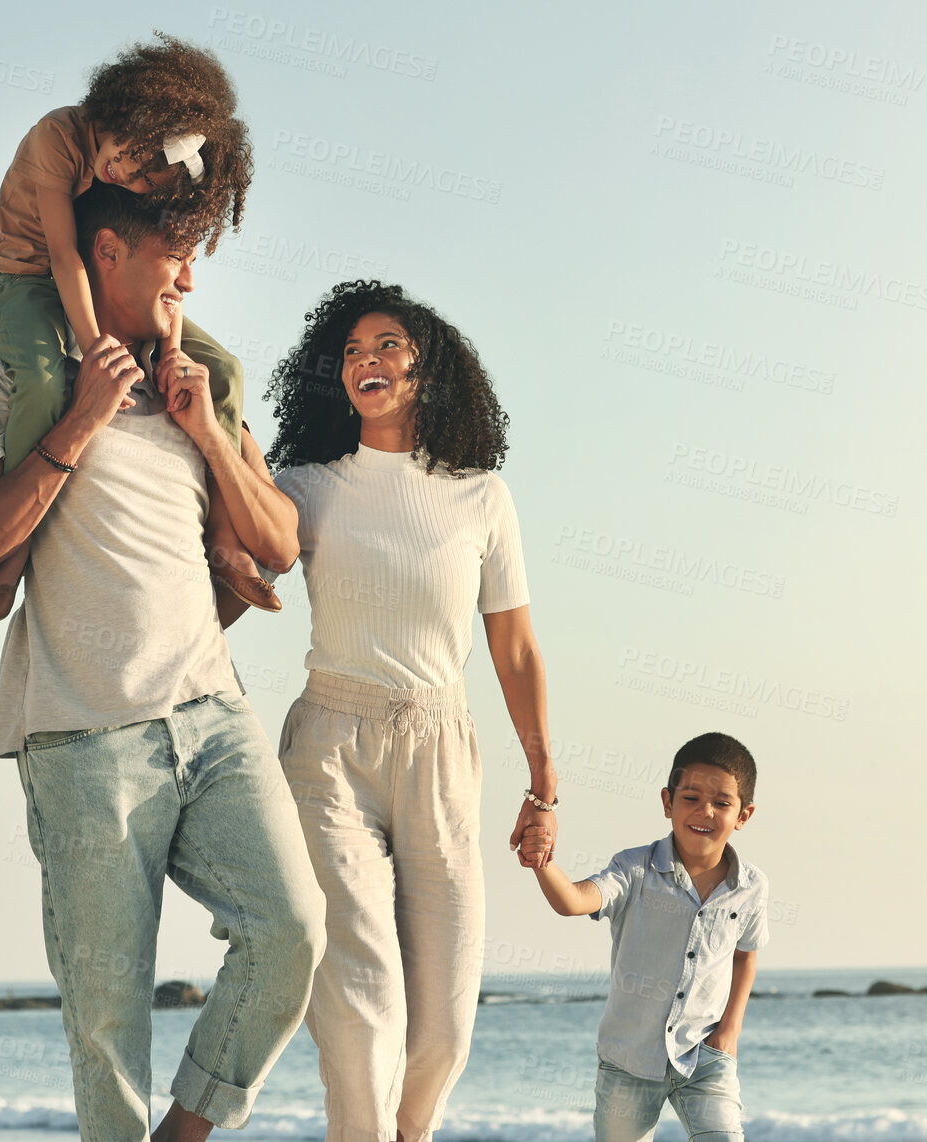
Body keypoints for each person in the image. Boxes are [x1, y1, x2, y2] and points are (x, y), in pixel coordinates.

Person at [0, 182, 324, 1142]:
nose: (191, 276)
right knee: (108, 1026)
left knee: (291, 934)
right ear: (105, 251)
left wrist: (210, 436)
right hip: (81, 739)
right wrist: (80, 418)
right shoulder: (4, 378)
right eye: (174, 253)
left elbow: (279, 539)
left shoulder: (201, 384)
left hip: (212, 714)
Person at [263, 279, 557, 1140]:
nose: (367, 361)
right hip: (329, 747)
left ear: (429, 370)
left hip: (441, 748)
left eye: (387, 345)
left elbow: (515, 649)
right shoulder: (306, 486)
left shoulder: (481, 495)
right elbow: (238, 568)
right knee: (362, 1016)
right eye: (352, 351)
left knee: (441, 1033)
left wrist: (543, 782)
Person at [0, 31, 280, 623]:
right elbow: (65, 258)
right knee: (42, 381)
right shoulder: (56, 139)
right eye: (134, 154)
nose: (126, 171)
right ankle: (11, 550)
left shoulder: (132, 182)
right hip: (25, 281)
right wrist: (96, 350)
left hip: (88, 279)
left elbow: (157, 276)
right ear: (129, 111)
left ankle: (225, 539)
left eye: (143, 180)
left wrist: (169, 347)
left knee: (224, 369)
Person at [520, 732, 768, 1142]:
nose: (704, 811)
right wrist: (541, 863)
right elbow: (573, 900)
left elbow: (746, 954)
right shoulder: (634, 869)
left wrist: (729, 1032)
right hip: (629, 1059)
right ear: (668, 802)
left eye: (722, 802)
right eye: (690, 798)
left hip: (705, 1057)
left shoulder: (751, 887)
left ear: (744, 814)